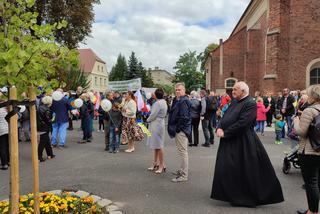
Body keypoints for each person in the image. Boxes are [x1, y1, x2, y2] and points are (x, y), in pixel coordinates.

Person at [212, 81, 284, 206]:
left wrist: (226, 132)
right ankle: (230, 194)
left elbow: (243, 123)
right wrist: (219, 127)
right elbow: (225, 116)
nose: (232, 92)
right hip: (230, 140)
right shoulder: (235, 101)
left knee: (244, 169)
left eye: (235, 89)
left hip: (243, 142)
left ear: (243, 91)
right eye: (233, 89)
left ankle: (244, 197)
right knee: (228, 168)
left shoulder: (250, 103)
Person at [293, 85, 320, 214]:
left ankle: (313, 211)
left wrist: (296, 121)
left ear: (314, 97)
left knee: (311, 183)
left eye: (309, 95)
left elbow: (301, 132)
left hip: (310, 151)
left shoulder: (310, 111)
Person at [168, 83, 191, 182]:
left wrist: (178, 129)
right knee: (181, 152)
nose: (177, 91)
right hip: (179, 129)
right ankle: (182, 170)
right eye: (176, 90)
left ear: (184, 90)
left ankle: (184, 175)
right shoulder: (179, 100)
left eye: (179, 90)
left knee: (183, 152)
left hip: (181, 130)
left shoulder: (183, 101)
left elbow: (184, 117)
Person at [147, 88, 168, 174]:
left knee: (159, 145)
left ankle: (161, 165)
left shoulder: (157, 103)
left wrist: (147, 120)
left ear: (156, 95)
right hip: (160, 123)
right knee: (157, 145)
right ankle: (155, 163)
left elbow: (153, 115)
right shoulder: (163, 102)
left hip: (156, 124)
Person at [37, 96, 55, 162]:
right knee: (42, 142)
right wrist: (53, 119)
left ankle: (50, 154)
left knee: (47, 141)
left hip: (41, 126)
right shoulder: (47, 109)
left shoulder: (39, 107)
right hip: (44, 127)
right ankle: (39, 157)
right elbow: (48, 120)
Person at [0, 100, 9, 170]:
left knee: (2, 147)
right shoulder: (5, 109)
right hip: (7, 129)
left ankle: (4, 164)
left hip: (1, 130)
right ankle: (8, 161)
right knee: (6, 146)